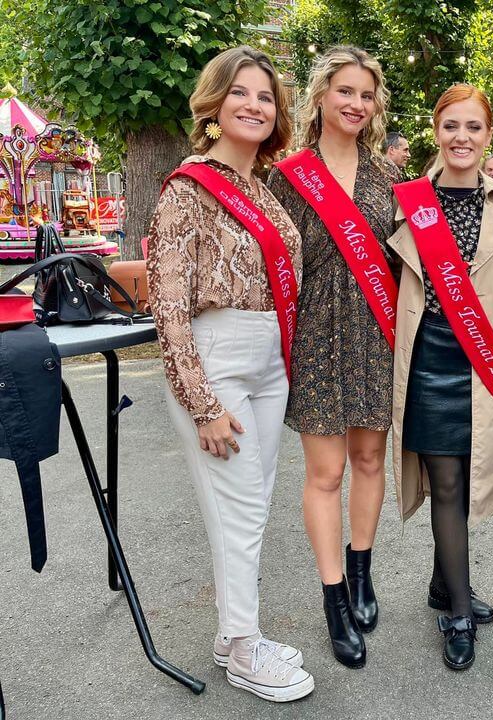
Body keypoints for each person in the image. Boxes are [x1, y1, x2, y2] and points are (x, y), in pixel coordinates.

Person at [146, 45, 314, 702]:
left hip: (269, 360)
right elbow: (168, 304)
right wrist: (202, 402)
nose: (254, 105)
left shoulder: (262, 188)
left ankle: (230, 635)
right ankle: (245, 649)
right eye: (240, 93)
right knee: (241, 507)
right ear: (214, 105)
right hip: (217, 358)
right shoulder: (188, 188)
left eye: (265, 97)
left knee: (250, 504)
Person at [267, 45, 397, 669]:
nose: (356, 103)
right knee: (325, 473)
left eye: (366, 95)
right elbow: (275, 267)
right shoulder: (288, 176)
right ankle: (333, 597)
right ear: (321, 96)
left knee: (370, 457)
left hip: (376, 332)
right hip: (316, 334)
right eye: (345, 91)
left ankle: (362, 566)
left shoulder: (388, 181)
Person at [388, 83, 493, 671]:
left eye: (473, 127)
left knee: (467, 479)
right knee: (445, 482)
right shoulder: (406, 203)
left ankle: (445, 584)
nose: (461, 138)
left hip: (485, 359)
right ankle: (459, 611)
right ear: (435, 132)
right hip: (428, 357)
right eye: (451, 127)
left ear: (488, 136)